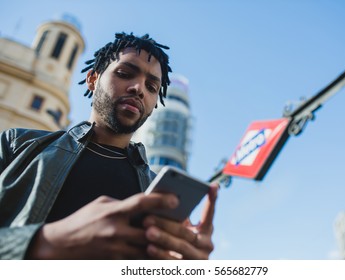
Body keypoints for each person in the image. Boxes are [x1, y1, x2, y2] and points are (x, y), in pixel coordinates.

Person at [0, 32, 218, 260]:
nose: (138, 89)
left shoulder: (156, 191)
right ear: (93, 79)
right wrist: (43, 243)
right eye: (125, 74)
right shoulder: (17, 145)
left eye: (152, 87)